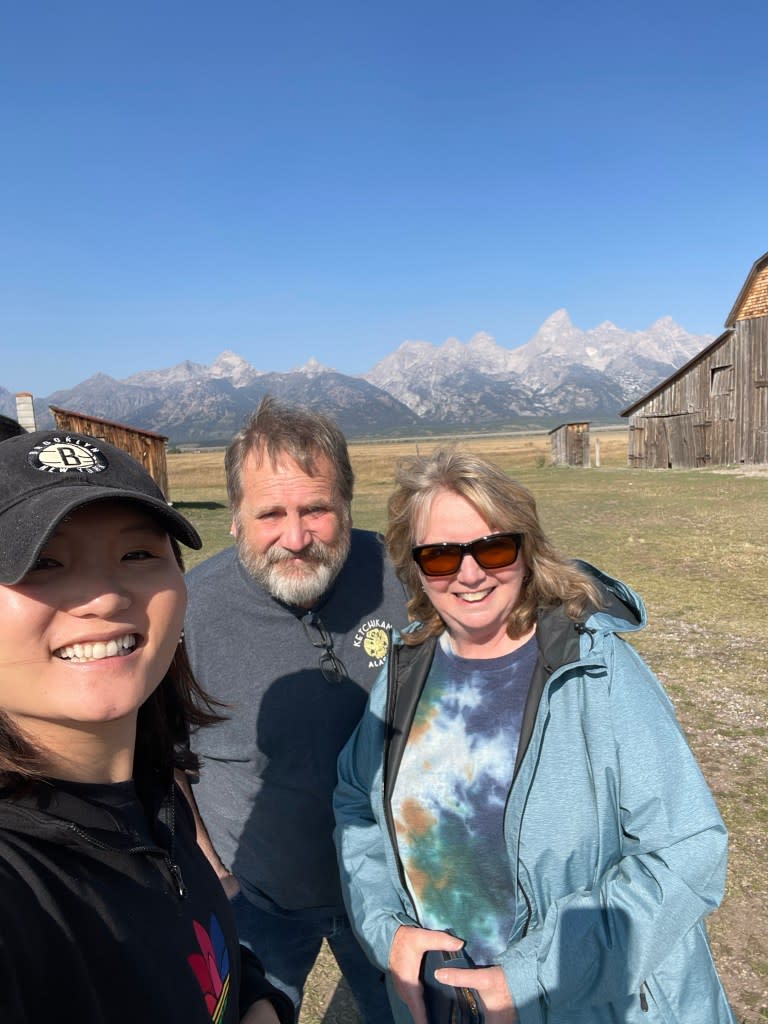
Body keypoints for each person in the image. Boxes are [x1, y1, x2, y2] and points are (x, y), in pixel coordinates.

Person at [334, 447, 736, 1024]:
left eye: (493, 548)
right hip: (449, 1009)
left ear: (527, 551)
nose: (469, 574)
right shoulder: (404, 673)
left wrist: (529, 978)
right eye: (441, 557)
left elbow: (687, 851)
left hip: (592, 1005)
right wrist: (386, 930)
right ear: (415, 566)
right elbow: (357, 804)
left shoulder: (594, 671)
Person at [0, 429, 294, 1024]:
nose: (105, 597)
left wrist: (256, 997)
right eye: (44, 562)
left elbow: (184, 941)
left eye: (137, 555)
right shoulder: (18, 887)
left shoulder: (153, 794)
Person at [181, 396, 409, 1021]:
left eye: (316, 509)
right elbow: (162, 759)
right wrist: (213, 873)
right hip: (256, 895)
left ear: (347, 506)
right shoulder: (186, 613)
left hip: (395, 892)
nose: (296, 536)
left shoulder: (405, 578)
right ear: (234, 519)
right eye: (270, 513)